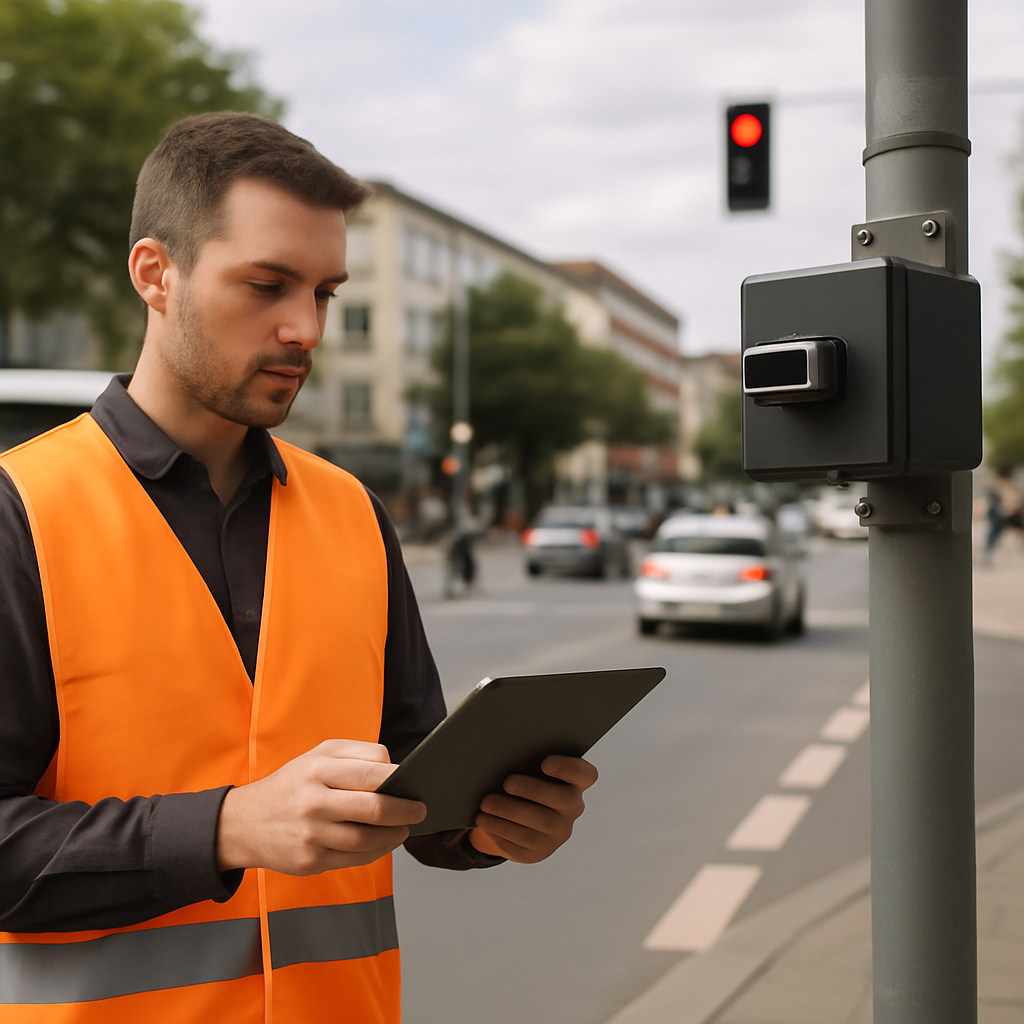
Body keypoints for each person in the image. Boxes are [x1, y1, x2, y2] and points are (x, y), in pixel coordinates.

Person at [0, 112, 597, 1022]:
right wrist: (231, 828)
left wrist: (489, 824)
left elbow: (413, 781)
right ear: (155, 276)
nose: (305, 328)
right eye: (268, 285)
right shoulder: (20, 512)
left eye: (324, 292)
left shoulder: (354, 513)